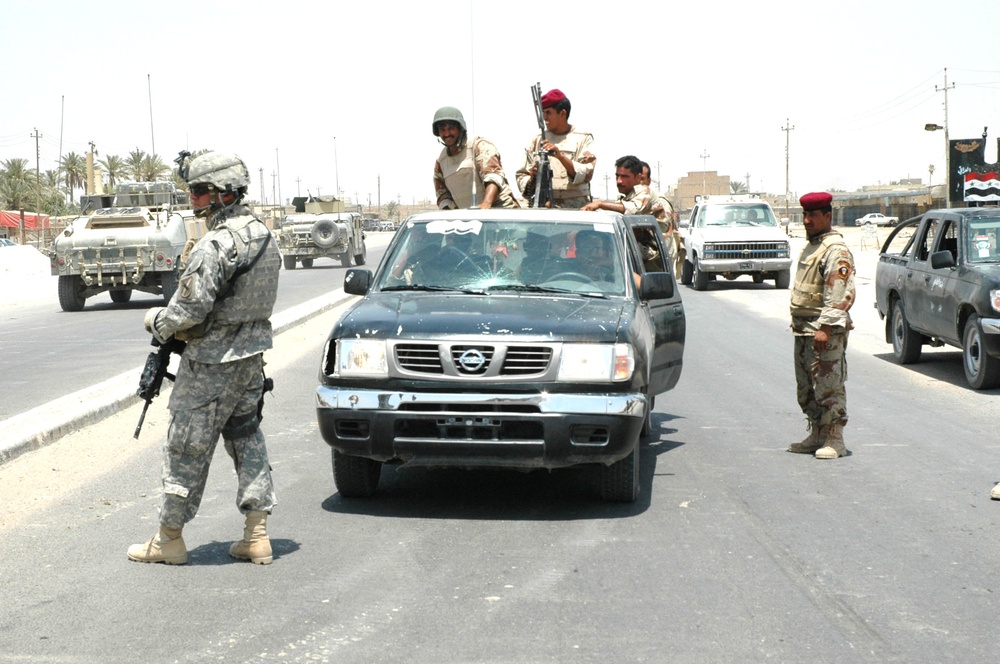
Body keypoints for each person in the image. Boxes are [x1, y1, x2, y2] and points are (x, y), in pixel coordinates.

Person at [128, 151, 282, 565]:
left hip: (210, 364)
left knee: (185, 447)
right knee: (247, 438)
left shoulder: (216, 245)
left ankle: (168, 540)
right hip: (250, 360)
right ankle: (258, 533)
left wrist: (157, 321)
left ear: (224, 194)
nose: (193, 200)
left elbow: (189, 311)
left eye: (199, 192)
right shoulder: (264, 237)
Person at [787, 191, 856, 460]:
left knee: (829, 385)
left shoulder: (836, 250)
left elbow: (839, 294)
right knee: (806, 387)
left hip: (824, 331)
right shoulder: (813, 245)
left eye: (812, 216)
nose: (806, 221)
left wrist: (825, 328)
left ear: (827, 216)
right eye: (804, 215)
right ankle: (817, 433)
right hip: (804, 329)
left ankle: (834, 438)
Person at [515, 88, 596, 209]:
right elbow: (522, 175)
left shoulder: (583, 138)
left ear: (562, 113)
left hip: (576, 208)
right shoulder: (537, 140)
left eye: (548, 113)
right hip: (544, 205)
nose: (545, 118)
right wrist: (533, 177)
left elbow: (587, 173)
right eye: (543, 113)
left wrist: (560, 155)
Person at [432, 107, 519, 210]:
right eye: (442, 129)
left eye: (451, 128)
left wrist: (486, 204)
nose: (447, 134)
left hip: (501, 212)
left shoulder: (479, 145)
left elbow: (493, 177)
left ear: (460, 128)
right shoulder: (441, 162)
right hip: (472, 218)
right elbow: (443, 196)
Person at [582, 155, 651, 214]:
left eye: (624, 177)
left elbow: (633, 210)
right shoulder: (626, 197)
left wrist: (600, 204)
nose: (619, 181)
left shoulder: (645, 192)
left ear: (638, 177)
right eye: (617, 176)